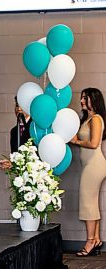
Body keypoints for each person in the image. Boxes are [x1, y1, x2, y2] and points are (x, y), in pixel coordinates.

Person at [69, 88, 106, 257]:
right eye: (82, 97)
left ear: (94, 100)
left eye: (85, 98)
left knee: (87, 203)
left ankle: (90, 241)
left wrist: (76, 141)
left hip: (95, 165)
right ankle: (96, 239)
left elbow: (93, 143)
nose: (82, 101)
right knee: (91, 202)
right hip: (90, 165)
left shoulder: (96, 119)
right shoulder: (88, 119)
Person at [0, 96, 32, 170]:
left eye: (22, 106)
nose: (19, 109)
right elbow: (15, 154)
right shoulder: (13, 131)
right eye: (17, 105)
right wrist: (10, 163)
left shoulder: (35, 127)